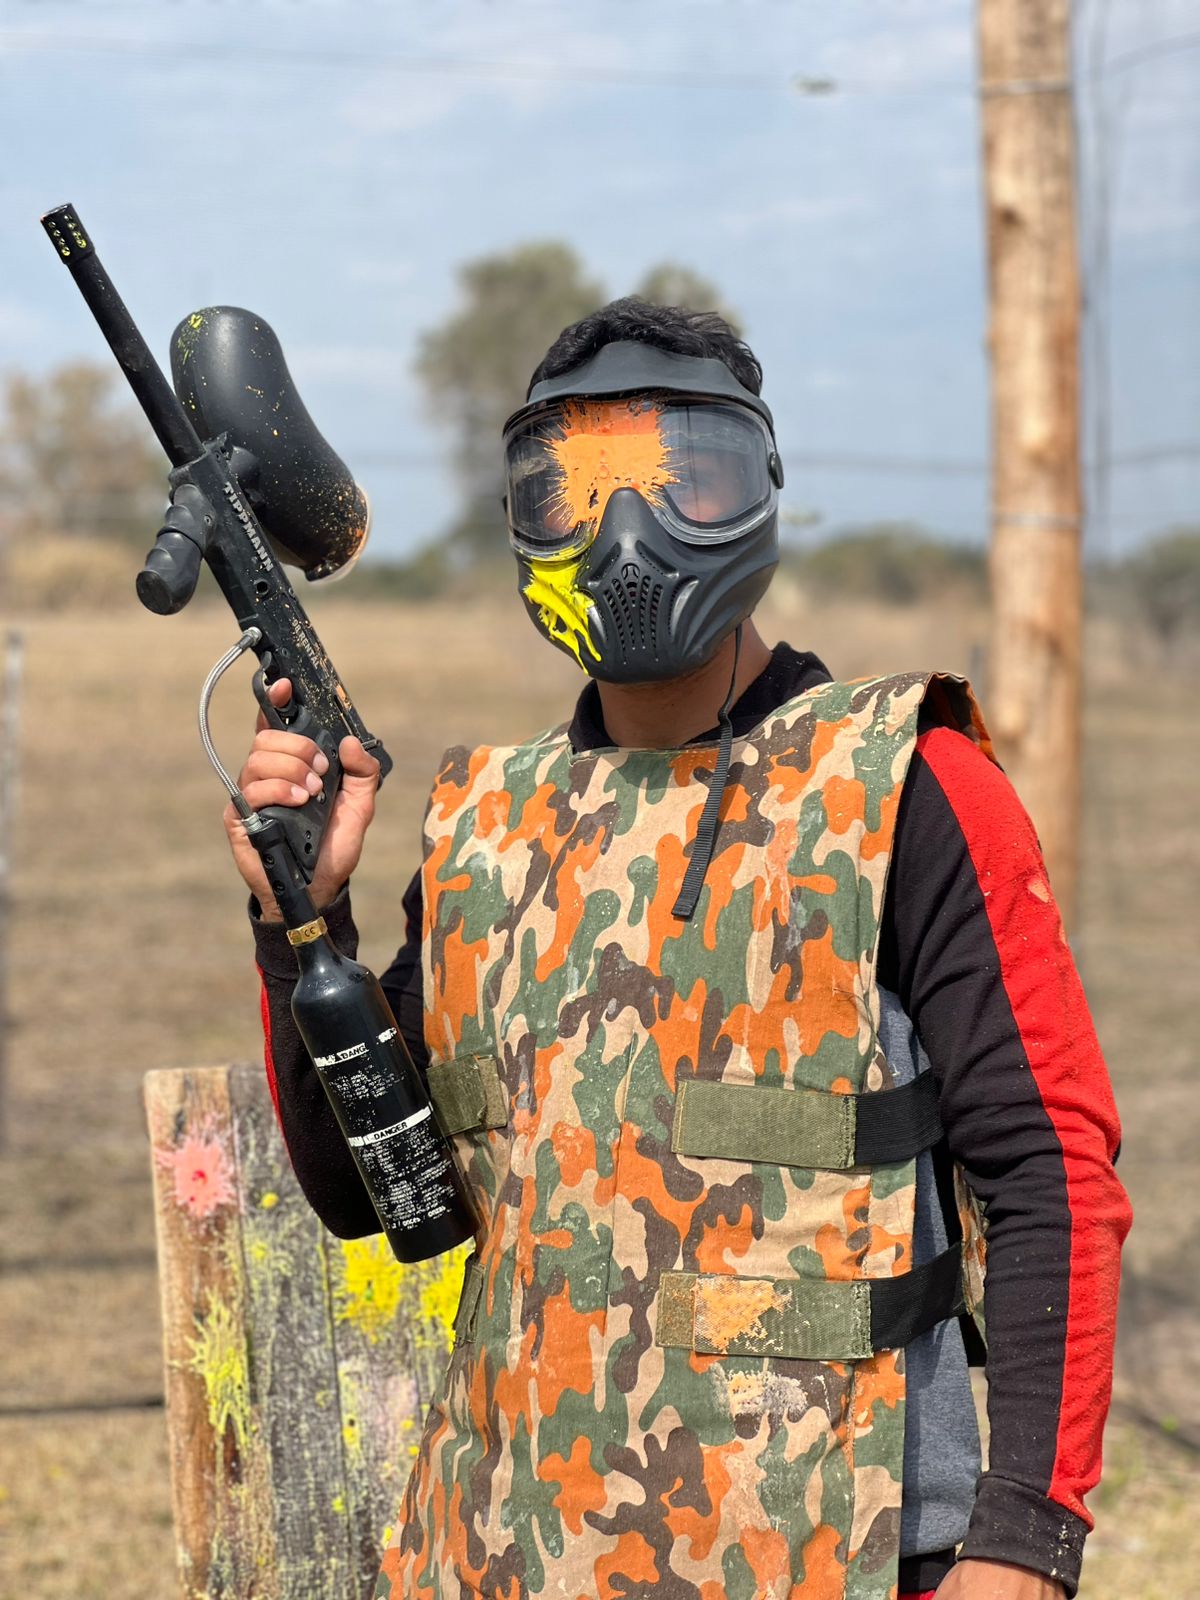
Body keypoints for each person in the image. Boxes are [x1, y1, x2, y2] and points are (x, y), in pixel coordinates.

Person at [227, 300, 1131, 1600]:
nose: (628, 532)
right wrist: (301, 923)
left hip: (847, 1561)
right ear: (524, 514)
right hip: (502, 1557)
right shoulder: (485, 829)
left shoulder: (904, 787)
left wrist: (1025, 1543)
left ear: (759, 486)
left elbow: (1054, 1174)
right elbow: (376, 1196)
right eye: (575, 488)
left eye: (681, 477)